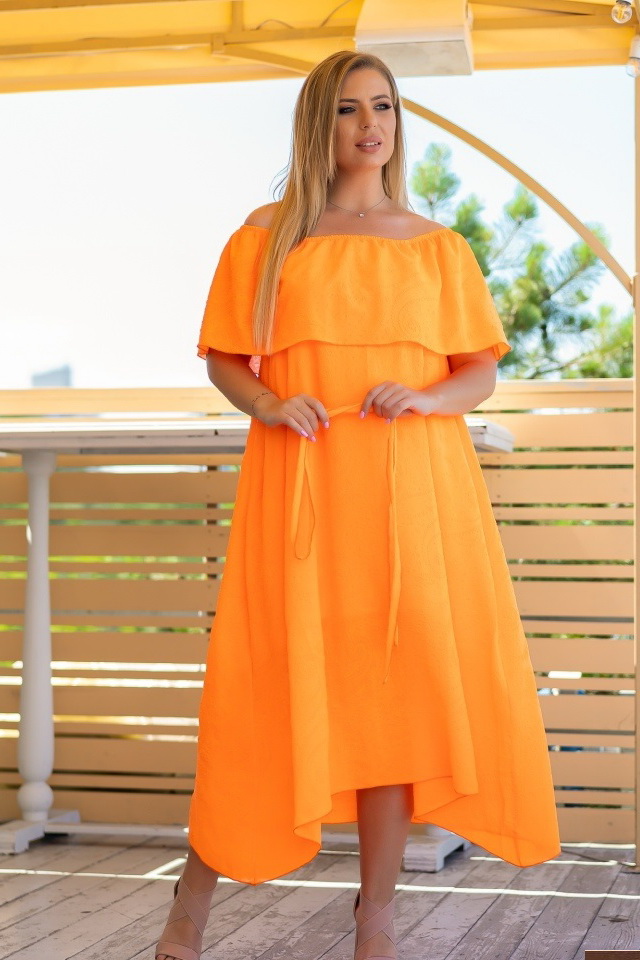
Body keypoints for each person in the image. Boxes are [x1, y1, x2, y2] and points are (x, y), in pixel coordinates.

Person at [155, 49, 561, 960]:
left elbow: (480, 372)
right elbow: (225, 357)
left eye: (382, 106)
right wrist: (268, 403)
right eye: (348, 109)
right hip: (301, 487)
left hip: (412, 496)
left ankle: (375, 919)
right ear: (318, 123)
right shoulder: (268, 237)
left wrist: (428, 398)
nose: (370, 125)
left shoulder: (439, 246)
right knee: (268, 693)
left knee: (393, 703)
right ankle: (190, 905)